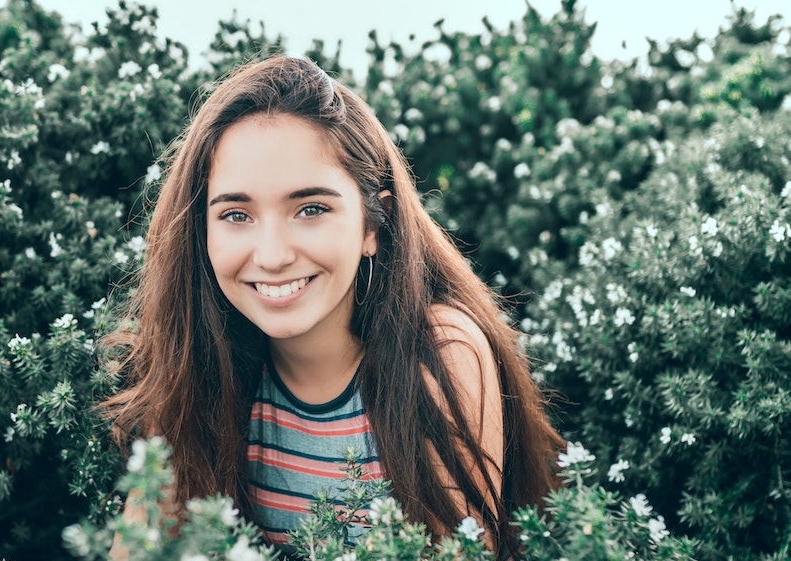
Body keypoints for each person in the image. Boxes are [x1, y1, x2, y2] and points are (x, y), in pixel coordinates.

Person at [99, 55, 563, 559]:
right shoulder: (196, 359)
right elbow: (140, 547)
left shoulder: (442, 353)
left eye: (311, 209)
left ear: (372, 224)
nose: (272, 255)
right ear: (201, 232)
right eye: (236, 214)